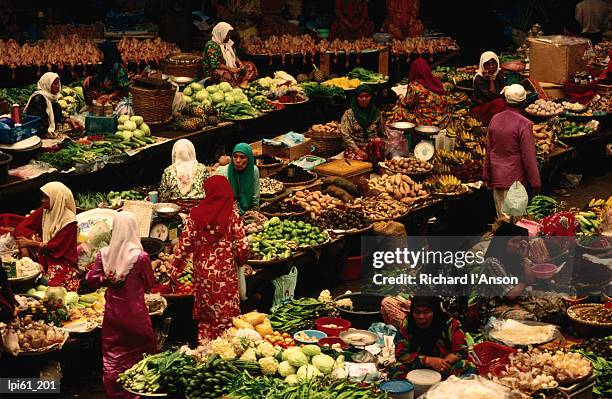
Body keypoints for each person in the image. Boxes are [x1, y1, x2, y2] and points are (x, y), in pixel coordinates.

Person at [86, 211, 156, 399]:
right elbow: (150, 284)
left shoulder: (104, 254)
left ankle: (115, 392)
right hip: (136, 315)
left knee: (112, 355)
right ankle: (139, 392)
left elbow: (91, 280)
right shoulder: (140, 257)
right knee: (142, 353)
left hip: (113, 316)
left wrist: (107, 279)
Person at [172, 176, 249, 341]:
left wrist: (174, 272)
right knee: (226, 314)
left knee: (207, 315)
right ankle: (225, 347)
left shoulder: (195, 215)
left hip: (203, 276)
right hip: (225, 276)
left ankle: (205, 345)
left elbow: (183, 246)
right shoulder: (232, 215)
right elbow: (242, 246)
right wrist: (240, 262)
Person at [477, 222, 566, 324]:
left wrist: (525, 258)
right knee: (529, 319)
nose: (518, 246)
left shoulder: (514, 257)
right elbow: (511, 294)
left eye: (519, 242)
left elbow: (531, 279)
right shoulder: (491, 263)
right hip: (494, 309)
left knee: (557, 303)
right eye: (514, 242)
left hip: (516, 301)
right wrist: (524, 280)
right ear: (502, 242)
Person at [483, 84, 541, 220]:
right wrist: (535, 182)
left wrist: (486, 174)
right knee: (516, 223)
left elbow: (489, 149)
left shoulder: (494, 119)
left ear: (505, 100)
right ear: (524, 102)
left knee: (502, 221)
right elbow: (529, 156)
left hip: (497, 178)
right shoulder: (524, 124)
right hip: (515, 182)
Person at [389, 296, 475, 379]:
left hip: (445, 367)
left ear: (435, 312)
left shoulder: (450, 323)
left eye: (426, 312)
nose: (421, 317)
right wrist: (428, 361)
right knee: (395, 369)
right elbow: (401, 355)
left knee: (467, 366)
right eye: (417, 312)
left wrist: (443, 364)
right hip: (418, 367)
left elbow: (462, 351)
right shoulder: (407, 324)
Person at [15, 182, 79, 291]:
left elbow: (56, 247)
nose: (42, 200)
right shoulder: (45, 210)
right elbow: (22, 227)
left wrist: (30, 243)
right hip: (46, 251)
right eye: (43, 197)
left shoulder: (69, 221)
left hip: (61, 258)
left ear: (56, 199)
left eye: (46, 198)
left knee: (58, 282)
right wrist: (24, 247)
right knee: (30, 239)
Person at [394, 58, 450, 127]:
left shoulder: (415, 86)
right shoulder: (436, 81)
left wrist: (400, 97)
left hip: (426, 122)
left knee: (398, 110)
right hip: (442, 120)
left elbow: (407, 104)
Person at [24, 72, 81, 138]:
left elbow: (58, 116)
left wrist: (71, 120)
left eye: (58, 83)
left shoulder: (53, 98)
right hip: (36, 133)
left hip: (48, 130)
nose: (58, 86)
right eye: (54, 84)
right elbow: (35, 122)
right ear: (47, 84)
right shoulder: (39, 99)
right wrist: (48, 134)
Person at [203, 22, 258, 86]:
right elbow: (215, 64)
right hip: (213, 71)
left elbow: (235, 56)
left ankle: (243, 83)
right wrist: (230, 69)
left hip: (230, 67)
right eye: (227, 35)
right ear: (221, 34)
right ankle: (233, 85)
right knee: (222, 73)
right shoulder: (211, 45)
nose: (229, 37)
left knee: (249, 65)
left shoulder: (228, 43)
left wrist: (240, 64)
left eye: (229, 35)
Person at [340, 84, 384, 161]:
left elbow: (382, 132)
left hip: (372, 147)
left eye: (367, 96)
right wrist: (357, 150)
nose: (364, 99)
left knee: (378, 144)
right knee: (357, 162)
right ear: (356, 98)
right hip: (356, 147)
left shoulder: (376, 113)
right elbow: (346, 135)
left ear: (371, 97)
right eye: (361, 96)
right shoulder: (349, 114)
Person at [216, 143, 260, 214]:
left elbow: (255, 197)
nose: (238, 160)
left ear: (249, 158)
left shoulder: (253, 170)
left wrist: (255, 213)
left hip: (248, 212)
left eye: (242, 157)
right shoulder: (222, 172)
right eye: (235, 156)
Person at [471, 51, 507, 125]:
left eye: (493, 64)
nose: (491, 67)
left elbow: (503, 91)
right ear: (483, 65)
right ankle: (496, 124)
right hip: (481, 109)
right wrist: (491, 80)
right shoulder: (479, 78)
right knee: (499, 102)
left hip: (495, 106)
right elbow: (491, 95)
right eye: (488, 64)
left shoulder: (499, 75)